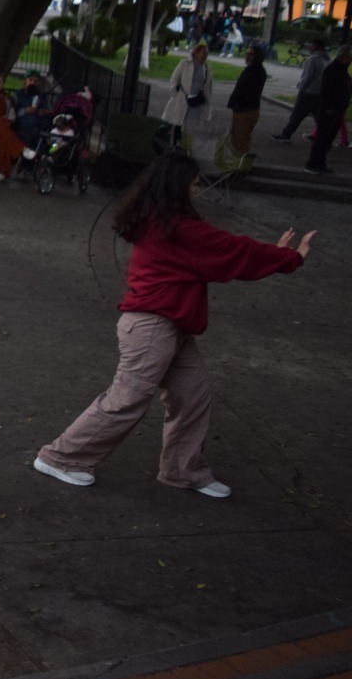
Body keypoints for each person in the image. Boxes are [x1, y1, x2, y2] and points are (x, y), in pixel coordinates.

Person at [35, 152, 314, 497]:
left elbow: (230, 250)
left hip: (168, 326)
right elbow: (232, 250)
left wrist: (276, 256)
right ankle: (61, 457)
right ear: (179, 186)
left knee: (192, 396)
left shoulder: (159, 220)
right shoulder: (179, 229)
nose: (197, 189)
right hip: (153, 328)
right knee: (127, 400)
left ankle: (184, 471)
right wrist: (290, 257)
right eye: (194, 183)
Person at [305, 46, 351, 176]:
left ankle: (320, 162)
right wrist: (330, 107)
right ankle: (313, 162)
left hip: (337, 109)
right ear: (344, 58)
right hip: (330, 110)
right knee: (322, 138)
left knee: (327, 139)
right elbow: (326, 91)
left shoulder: (341, 70)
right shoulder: (333, 70)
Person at [273, 38, 328, 143]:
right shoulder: (327, 60)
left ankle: (286, 134)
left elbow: (308, 76)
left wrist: (301, 86)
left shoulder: (313, 59)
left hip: (308, 92)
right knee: (319, 117)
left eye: (313, 45)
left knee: (297, 115)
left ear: (318, 47)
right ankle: (323, 137)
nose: (311, 48)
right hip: (320, 92)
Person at [161, 43, 213, 142]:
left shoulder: (207, 68)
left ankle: (186, 147)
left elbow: (209, 88)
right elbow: (174, 80)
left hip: (196, 102)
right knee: (178, 123)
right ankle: (176, 145)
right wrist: (176, 94)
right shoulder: (185, 64)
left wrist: (207, 104)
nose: (205, 56)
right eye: (203, 53)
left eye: (206, 53)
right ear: (196, 53)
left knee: (192, 126)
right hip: (182, 99)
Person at [226, 45, 267, 156]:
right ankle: (237, 161)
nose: (248, 56)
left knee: (241, 139)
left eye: (251, 54)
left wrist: (239, 104)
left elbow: (251, 93)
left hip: (246, 109)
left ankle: (241, 163)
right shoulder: (250, 70)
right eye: (247, 53)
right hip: (241, 108)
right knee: (235, 136)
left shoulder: (258, 72)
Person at [12, 70, 52, 147]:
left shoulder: (42, 96)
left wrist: (44, 112)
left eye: (36, 81)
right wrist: (24, 111)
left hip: (39, 128)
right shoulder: (17, 95)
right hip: (23, 128)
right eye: (30, 80)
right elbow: (11, 113)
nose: (33, 83)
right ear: (25, 81)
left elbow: (48, 110)